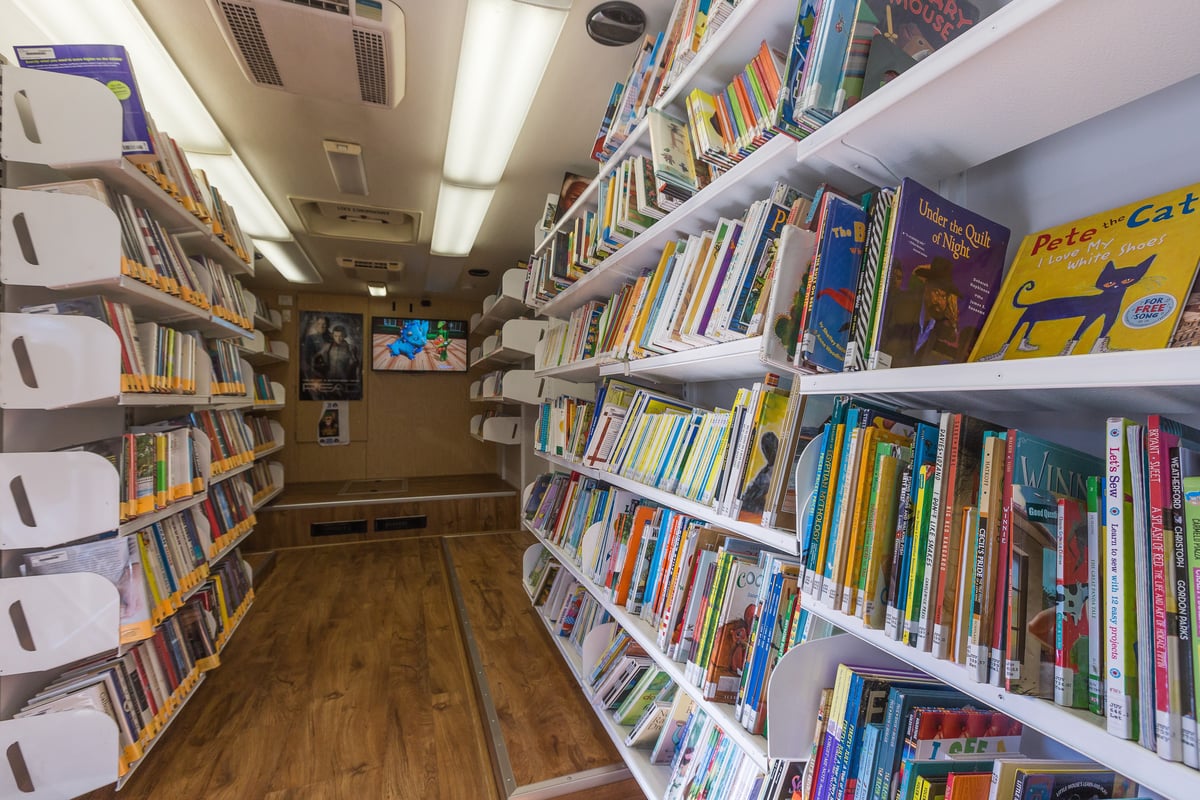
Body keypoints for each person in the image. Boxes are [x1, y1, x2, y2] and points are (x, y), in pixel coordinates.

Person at [879, 256, 974, 367]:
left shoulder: (935, 324)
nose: (940, 301)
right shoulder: (903, 305)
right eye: (936, 293)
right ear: (926, 288)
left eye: (944, 296)